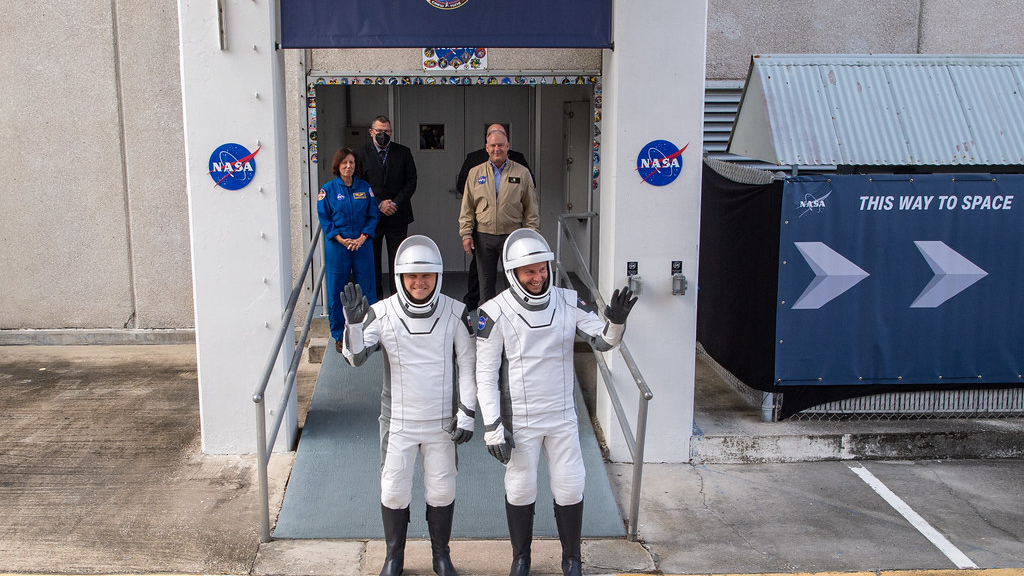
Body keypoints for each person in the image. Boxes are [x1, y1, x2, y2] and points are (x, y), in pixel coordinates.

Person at [475, 228, 637, 576]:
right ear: (513, 273)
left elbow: (603, 342)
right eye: (529, 271)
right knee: (520, 487)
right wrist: (492, 427)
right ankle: (521, 558)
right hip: (521, 420)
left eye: (542, 268)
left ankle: (571, 559)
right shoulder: (493, 311)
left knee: (571, 484)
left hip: (563, 416)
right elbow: (485, 375)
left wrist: (616, 323)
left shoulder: (568, 300)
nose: (538, 277)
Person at [340, 235, 476, 576]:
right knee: (394, 489)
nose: (419, 282)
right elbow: (355, 357)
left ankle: (441, 556)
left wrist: (468, 412)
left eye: (426, 275)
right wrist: (354, 325)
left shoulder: (454, 312)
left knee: (442, 488)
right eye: (412, 276)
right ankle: (393, 557)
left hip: (442, 423)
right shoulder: (382, 313)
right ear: (400, 276)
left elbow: (469, 366)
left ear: (437, 275)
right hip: (398, 422)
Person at [454, 124, 532, 312]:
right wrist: (466, 234)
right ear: (487, 148)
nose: (497, 149)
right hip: (484, 237)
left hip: (512, 236)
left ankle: (515, 323)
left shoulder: (521, 172)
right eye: (493, 146)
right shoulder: (475, 172)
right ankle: (486, 329)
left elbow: (531, 208)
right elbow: (467, 207)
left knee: (514, 283)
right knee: (486, 287)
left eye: (501, 145)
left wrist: (531, 237)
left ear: (508, 146)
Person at [317, 147, 379, 352]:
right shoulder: (328, 190)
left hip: (362, 245)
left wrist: (362, 238)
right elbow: (325, 220)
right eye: (344, 163)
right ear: (338, 166)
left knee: (368, 288)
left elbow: (373, 216)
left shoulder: (365, 188)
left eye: (351, 162)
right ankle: (339, 335)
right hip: (338, 247)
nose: (348, 166)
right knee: (336, 291)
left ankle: (370, 332)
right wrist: (342, 240)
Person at [355, 115, 418, 301]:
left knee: (397, 260)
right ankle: (375, 302)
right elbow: (359, 185)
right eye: (380, 131)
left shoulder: (403, 152)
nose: (383, 135)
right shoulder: (360, 154)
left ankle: (397, 300)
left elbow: (411, 181)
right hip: (372, 217)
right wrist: (379, 203)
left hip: (398, 215)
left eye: (387, 131)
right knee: (372, 261)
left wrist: (395, 203)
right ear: (371, 132)